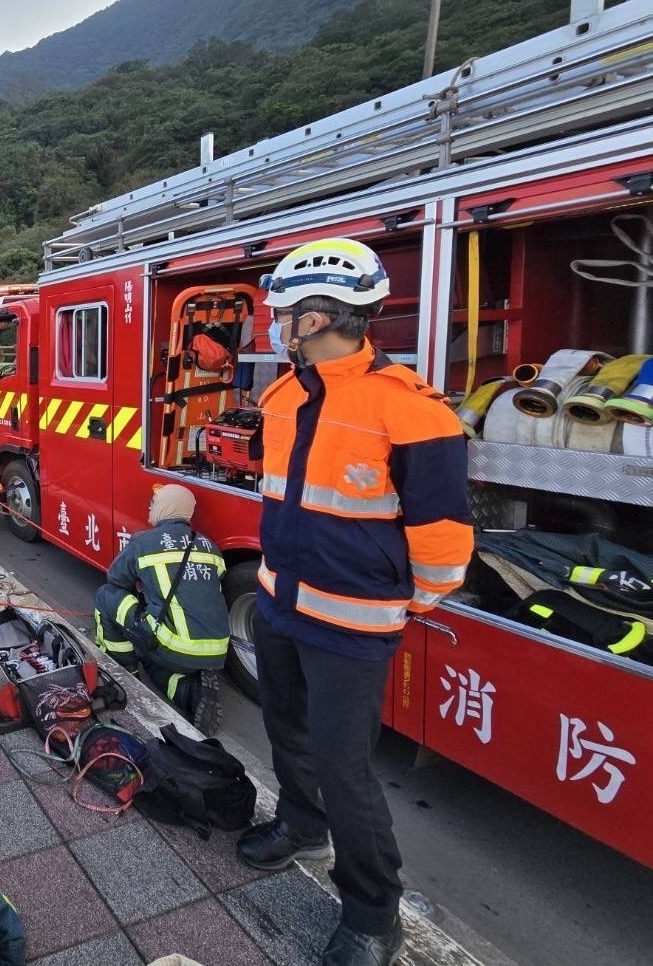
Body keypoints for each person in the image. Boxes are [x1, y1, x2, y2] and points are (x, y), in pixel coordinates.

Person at [241, 239, 472, 966]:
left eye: (283, 313)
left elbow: (440, 530)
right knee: (287, 733)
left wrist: (409, 604)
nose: (275, 324)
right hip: (281, 603)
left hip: (352, 622)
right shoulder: (284, 395)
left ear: (314, 318)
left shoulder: (410, 409)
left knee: (347, 768)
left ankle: (373, 913)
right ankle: (301, 826)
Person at [93, 484, 229, 735]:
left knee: (106, 596)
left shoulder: (144, 542)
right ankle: (192, 692)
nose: (151, 507)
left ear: (164, 508)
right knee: (157, 659)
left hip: (175, 644)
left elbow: (115, 579)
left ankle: (125, 668)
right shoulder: (211, 547)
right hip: (218, 650)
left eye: (155, 503)